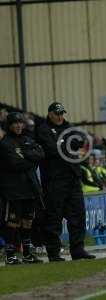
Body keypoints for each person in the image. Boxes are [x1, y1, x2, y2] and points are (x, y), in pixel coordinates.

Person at [36, 102, 95, 261]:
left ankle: (78, 249)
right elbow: (51, 150)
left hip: (73, 177)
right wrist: (68, 145)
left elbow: (81, 140)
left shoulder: (68, 126)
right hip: (54, 180)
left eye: (62, 113)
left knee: (78, 214)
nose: (60, 116)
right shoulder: (43, 129)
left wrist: (64, 144)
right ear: (50, 114)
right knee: (54, 216)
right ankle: (54, 253)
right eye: (57, 113)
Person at [0, 112, 44, 264]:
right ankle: (10, 255)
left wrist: (27, 157)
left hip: (30, 187)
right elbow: (15, 163)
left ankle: (27, 254)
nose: (19, 125)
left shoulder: (27, 139)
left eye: (21, 122)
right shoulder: (5, 143)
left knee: (28, 221)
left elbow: (41, 153)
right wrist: (32, 160)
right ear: (9, 125)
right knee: (13, 222)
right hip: (13, 189)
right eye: (15, 123)